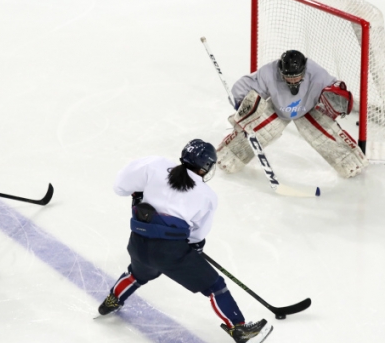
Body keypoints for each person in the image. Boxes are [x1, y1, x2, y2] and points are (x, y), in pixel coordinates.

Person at [98, 139, 273, 343]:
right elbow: (196, 236)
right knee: (216, 287)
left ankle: (112, 300)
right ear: (206, 167)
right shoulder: (207, 196)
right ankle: (238, 329)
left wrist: (138, 194)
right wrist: (193, 250)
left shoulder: (156, 164)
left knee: (136, 274)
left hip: (138, 244)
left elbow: (121, 186)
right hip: (170, 253)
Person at [217, 50, 369, 178]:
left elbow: (335, 90)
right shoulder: (269, 72)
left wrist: (337, 99)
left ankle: (349, 158)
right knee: (256, 131)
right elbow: (246, 85)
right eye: (288, 77)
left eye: (296, 76)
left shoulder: (317, 74)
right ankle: (231, 153)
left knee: (325, 134)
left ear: (304, 70)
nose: (292, 80)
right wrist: (242, 103)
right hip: (278, 108)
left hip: (308, 108)